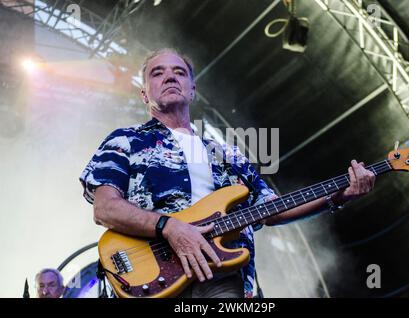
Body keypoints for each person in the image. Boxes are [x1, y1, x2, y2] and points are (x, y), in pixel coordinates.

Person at [79, 48, 375, 298]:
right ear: (144, 95)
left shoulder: (228, 156)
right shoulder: (126, 141)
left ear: (192, 90)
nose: (170, 76)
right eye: (157, 72)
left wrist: (341, 195)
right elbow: (105, 208)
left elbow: (271, 211)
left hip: (223, 275)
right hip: (154, 274)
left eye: (179, 72)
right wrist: (169, 227)